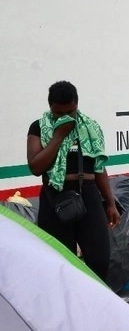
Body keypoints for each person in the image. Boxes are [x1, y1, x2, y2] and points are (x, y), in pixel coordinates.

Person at [26, 81, 119, 281]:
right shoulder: (39, 127)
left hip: (88, 194)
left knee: (99, 259)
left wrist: (110, 203)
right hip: (55, 197)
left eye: (71, 111)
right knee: (59, 262)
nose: (67, 117)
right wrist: (59, 136)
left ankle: (95, 306)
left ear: (77, 104)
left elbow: (99, 167)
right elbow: (35, 167)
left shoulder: (90, 126)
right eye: (60, 113)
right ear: (51, 107)